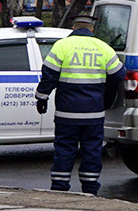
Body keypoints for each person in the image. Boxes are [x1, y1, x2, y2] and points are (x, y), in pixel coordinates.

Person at [35, 13, 126, 196]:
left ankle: (60, 188)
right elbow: (119, 74)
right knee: (91, 150)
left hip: (66, 113)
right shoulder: (103, 47)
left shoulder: (62, 46)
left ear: (74, 28)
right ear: (91, 29)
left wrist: (41, 97)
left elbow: (49, 76)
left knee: (64, 149)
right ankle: (90, 189)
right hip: (93, 113)